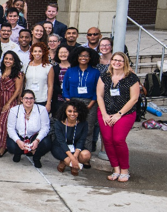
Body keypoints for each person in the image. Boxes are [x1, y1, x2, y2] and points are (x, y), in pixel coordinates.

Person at [96, 52, 140, 183]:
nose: (117, 62)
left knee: (118, 140)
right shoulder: (105, 76)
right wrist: (104, 114)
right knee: (108, 140)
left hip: (124, 114)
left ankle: (125, 170)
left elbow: (134, 99)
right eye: (115, 60)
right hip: (106, 112)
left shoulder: (131, 78)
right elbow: (99, 96)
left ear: (125, 62)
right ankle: (116, 169)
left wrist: (119, 114)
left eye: (120, 60)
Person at [63, 47, 101, 153]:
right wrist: (70, 104)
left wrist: (89, 106)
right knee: (73, 127)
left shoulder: (95, 72)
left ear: (90, 58)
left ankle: (85, 154)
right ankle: (71, 153)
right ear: (76, 57)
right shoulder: (70, 71)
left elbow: (97, 91)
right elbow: (65, 88)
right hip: (73, 102)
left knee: (88, 129)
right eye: (81, 55)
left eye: (86, 56)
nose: (83, 58)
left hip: (90, 103)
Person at [6, 90, 52, 168]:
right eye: (26, 98)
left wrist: (37, 140)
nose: (29, 100)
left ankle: (36, 157)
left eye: (31, 98)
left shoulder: (42, 109)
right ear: (21, 99)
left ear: (34, 99)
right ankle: (18, 153)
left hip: (34, 135)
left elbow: (45, 127)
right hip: (20, 136)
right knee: (11, 146)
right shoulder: (14, 110)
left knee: (47, 143)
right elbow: (10, 128)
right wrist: (18, 141)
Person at [51, 100, 92, 176]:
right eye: (69, 111)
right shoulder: (59, 123)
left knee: (86, 155)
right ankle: (64, 161)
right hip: (60, 146)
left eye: (75, 111)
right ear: (65, 111)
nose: (72, 114)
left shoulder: (83, 123)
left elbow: (81, 140)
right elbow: (61, 141)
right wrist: (72, 158)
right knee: (68, 160)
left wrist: (75, 156)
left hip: (75, 146)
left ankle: (72, 163)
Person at [24, 42, 54, 112]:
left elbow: (50, 86)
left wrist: (48, 102)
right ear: (31, 53)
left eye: (40, 51)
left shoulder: (48, 67)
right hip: (27, 99)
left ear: (43, 53)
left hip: (42, 99)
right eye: (35, 51)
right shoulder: (26, 66)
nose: (37, 53)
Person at [51, 44, 72, 118]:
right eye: (61, 52)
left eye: (65, 52)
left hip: (72, 98)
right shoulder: (54, 68)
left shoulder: (74, 68)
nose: (63, 54)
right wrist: (63, 93)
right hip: (58, 99)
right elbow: (53, 84)